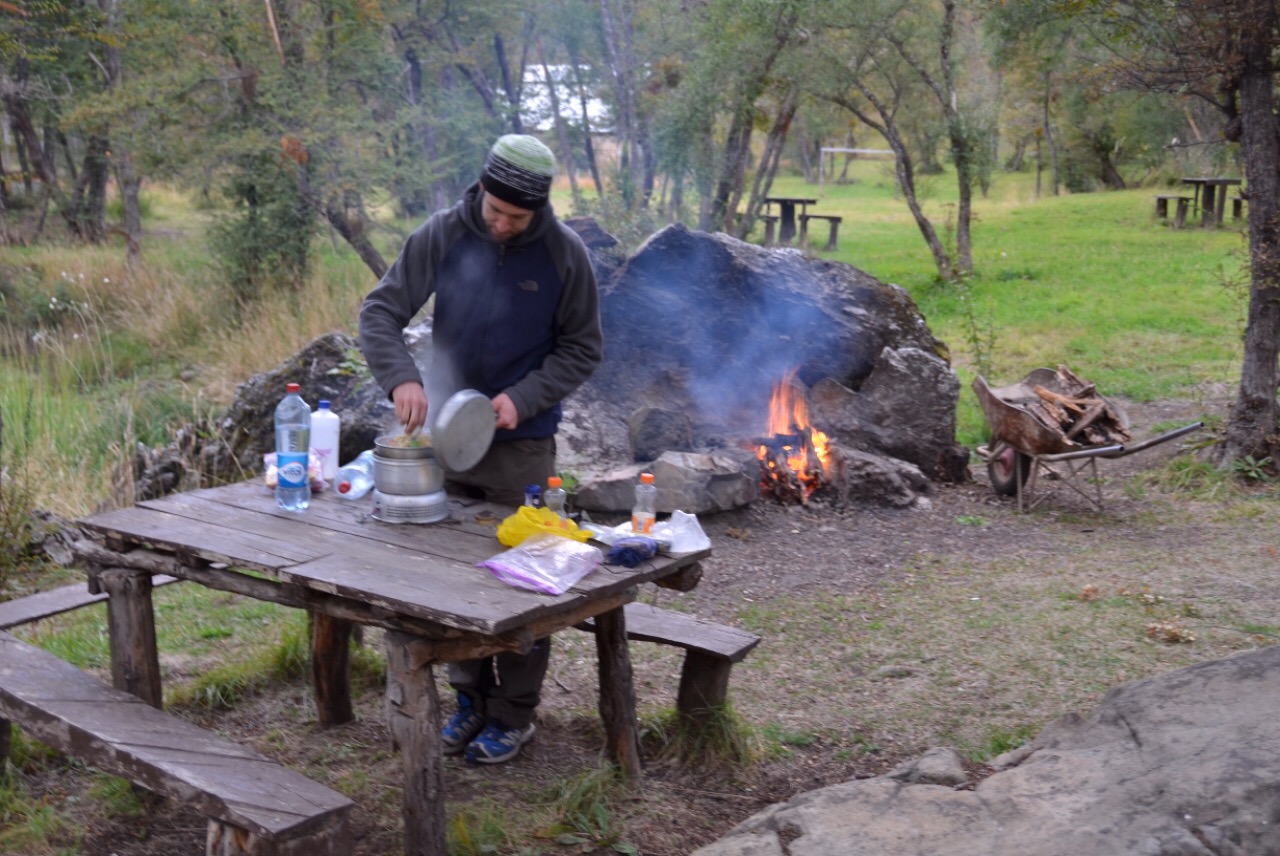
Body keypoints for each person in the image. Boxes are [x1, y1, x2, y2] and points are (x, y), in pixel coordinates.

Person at [358, 134, 603, 764]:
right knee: (449, 577)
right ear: (481, 190)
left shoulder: (563, 254)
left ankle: (514, 714)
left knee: (524, 582)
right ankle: (467, 698)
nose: (501, 224)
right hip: (446, 439)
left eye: (516, 218)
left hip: (522, 448)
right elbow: (379, 312)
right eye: (495, 210)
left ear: (538, 209)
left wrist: (523, 397)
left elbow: (582, 347)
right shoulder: (442, 234)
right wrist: (402, 378)